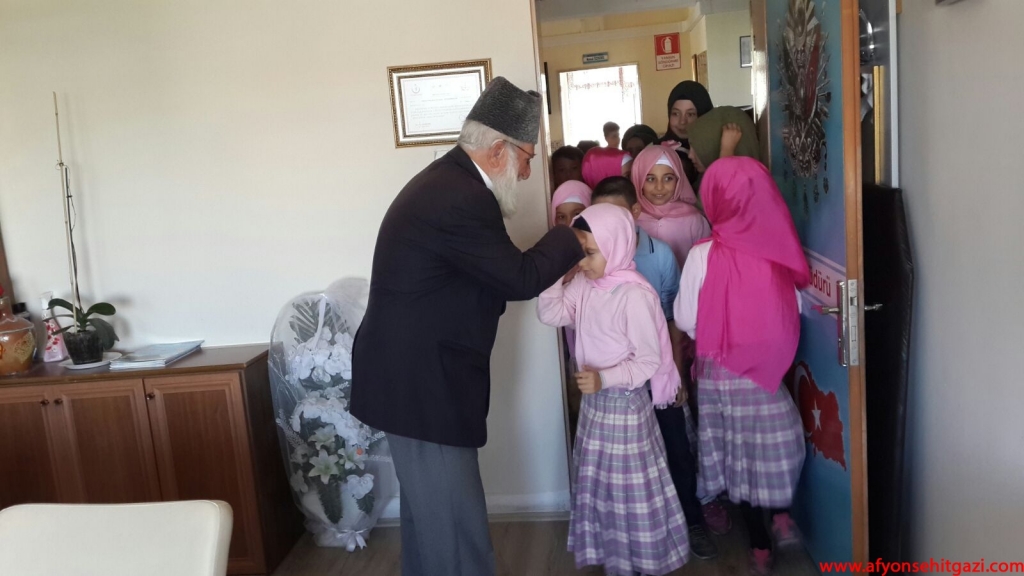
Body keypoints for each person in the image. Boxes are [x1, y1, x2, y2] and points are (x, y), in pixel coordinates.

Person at [350, 77, 584, 576]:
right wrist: (573, 235)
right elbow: (519, 278)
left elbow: (482, 277)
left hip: (414, 381)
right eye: (527, 157)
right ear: (498, 150)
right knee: (456, 534)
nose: (528, 172)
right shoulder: (460, 197)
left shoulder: (450, 182)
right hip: (422, 387)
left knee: (432, 525)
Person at [537, 203, 690, 576]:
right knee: (604, 487)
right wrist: (556, 271)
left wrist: (604, 379)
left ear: (616, 246)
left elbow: (649, 361)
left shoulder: (634, 296)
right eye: (579, 253)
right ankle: (618, 561)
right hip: (596, 408)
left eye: (589, 253)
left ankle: (643, 561)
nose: (583, 262)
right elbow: (550, 313)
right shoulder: (585, 285)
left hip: (624, 410)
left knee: (629, 492)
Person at [673, 157, 808, 576]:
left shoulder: (702, 255)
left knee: (738, 456)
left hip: (720, 373)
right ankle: (782, 515)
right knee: (775, 443)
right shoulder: (777, 249)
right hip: (766, 372)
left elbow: (685, 319)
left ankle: (760, 547)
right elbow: (795, 307)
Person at [590, 177, 718, 560]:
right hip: (614, 379)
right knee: (623, 462)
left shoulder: (658, 254)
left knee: (676, 446)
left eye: (615, 212)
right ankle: (625, 538)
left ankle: (691, 521)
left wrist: (676, 374)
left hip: (658, 373)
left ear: (635, 212)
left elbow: (673, 319)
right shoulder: (590, 259)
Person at [657, 81, 714, 185]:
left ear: (704, 116)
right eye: (675, 113)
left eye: (690, 114)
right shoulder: (655, 151)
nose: (682, 121)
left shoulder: (716, 152)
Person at [686, 106, 761, 176]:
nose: (690, 155)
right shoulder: (702, 180)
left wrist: (726, 152)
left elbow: (726, 184)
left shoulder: (752, 181)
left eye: (697, 147)